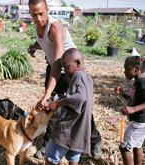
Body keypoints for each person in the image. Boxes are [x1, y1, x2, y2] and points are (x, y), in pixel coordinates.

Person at [27, 0, 102, 159]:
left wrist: (48, 92)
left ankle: (95, 140)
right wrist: (35, 45)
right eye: (34, 15)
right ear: (30, 13)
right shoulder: (38, 25)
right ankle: (49, 144)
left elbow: (58, 61)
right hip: (53, 69)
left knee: (78, 109)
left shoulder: (55, 27)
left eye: (41, 13)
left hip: (69, 72)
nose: (38, 18)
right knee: (52, 107)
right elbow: (45, 41)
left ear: (47, 10)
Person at [44, 48, 92, 165]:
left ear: (78, 63)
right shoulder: (88, 78)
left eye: (66, 67)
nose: (64, 71)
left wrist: (58, 103)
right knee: (73, 159)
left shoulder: (78, 76)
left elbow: (80, 97)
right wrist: (63, 97)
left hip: (68, 129)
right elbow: (81, 98)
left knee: (50, 157)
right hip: (79, 131)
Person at [115, 55, 145, 165]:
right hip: (140, 123)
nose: (124, 72)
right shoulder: (138, 83)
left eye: (127, 69)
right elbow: (135, 101)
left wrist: (134, 109)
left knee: (124, 147)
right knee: (137, 146)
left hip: (138, 123)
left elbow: (136, 106)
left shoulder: (142, 83)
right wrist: (124, 95)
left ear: (137, 69)